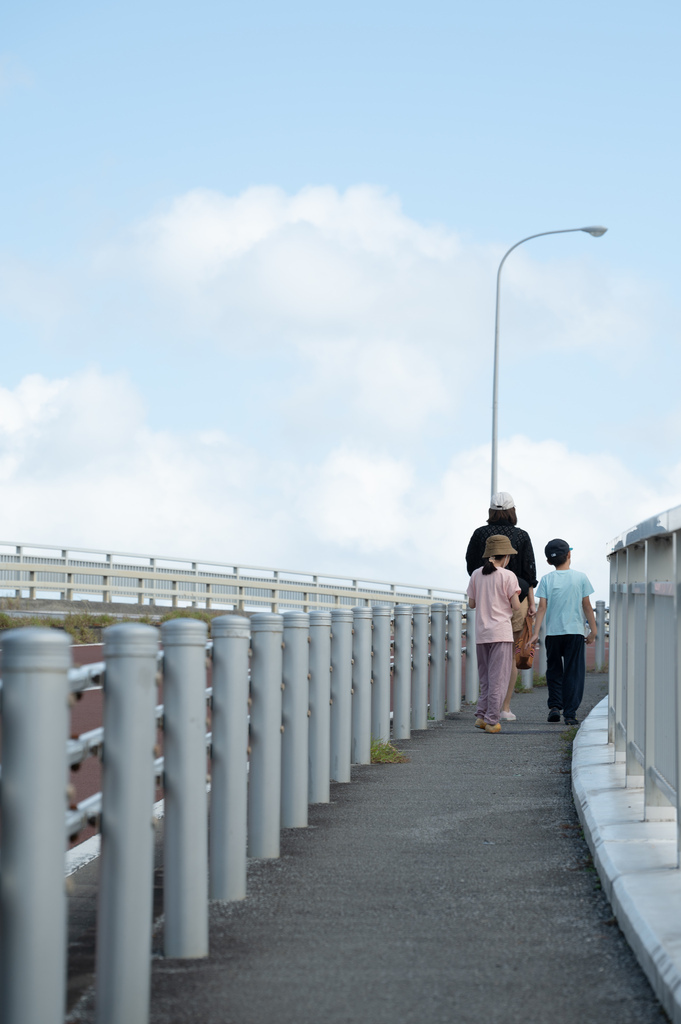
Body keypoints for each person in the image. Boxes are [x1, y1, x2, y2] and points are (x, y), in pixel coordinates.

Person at [465, 491, 537, 720]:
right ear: (512, 511)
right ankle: (503, 708)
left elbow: (470, 565)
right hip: (517, 600)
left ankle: (485, 710)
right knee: (509, 658)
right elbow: (530, 573)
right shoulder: (521, 536)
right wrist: (532, 603)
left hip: (485, 602)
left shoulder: (479, 535)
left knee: (486, 666)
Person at [530, 538, 597, 726]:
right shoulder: (581, 577)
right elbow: (586, 606)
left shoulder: (546, 579)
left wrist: (535, 633)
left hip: (553, 634)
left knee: (554, 671)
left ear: (548, 561)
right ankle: (570, 714)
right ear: (569, 554)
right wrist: (593, 630)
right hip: (574, 632)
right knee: (573, 673)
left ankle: (554, 706)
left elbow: (542, 608)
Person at [467, 535, 521, 733]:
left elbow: (471, 604)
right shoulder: (508, 576)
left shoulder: (476, 574)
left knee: (486, 678)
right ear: (506, 556)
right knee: (499, 679)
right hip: (501, 633)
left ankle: (481, 716)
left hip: (482, 633)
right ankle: (492, 720)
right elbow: (516, 606)